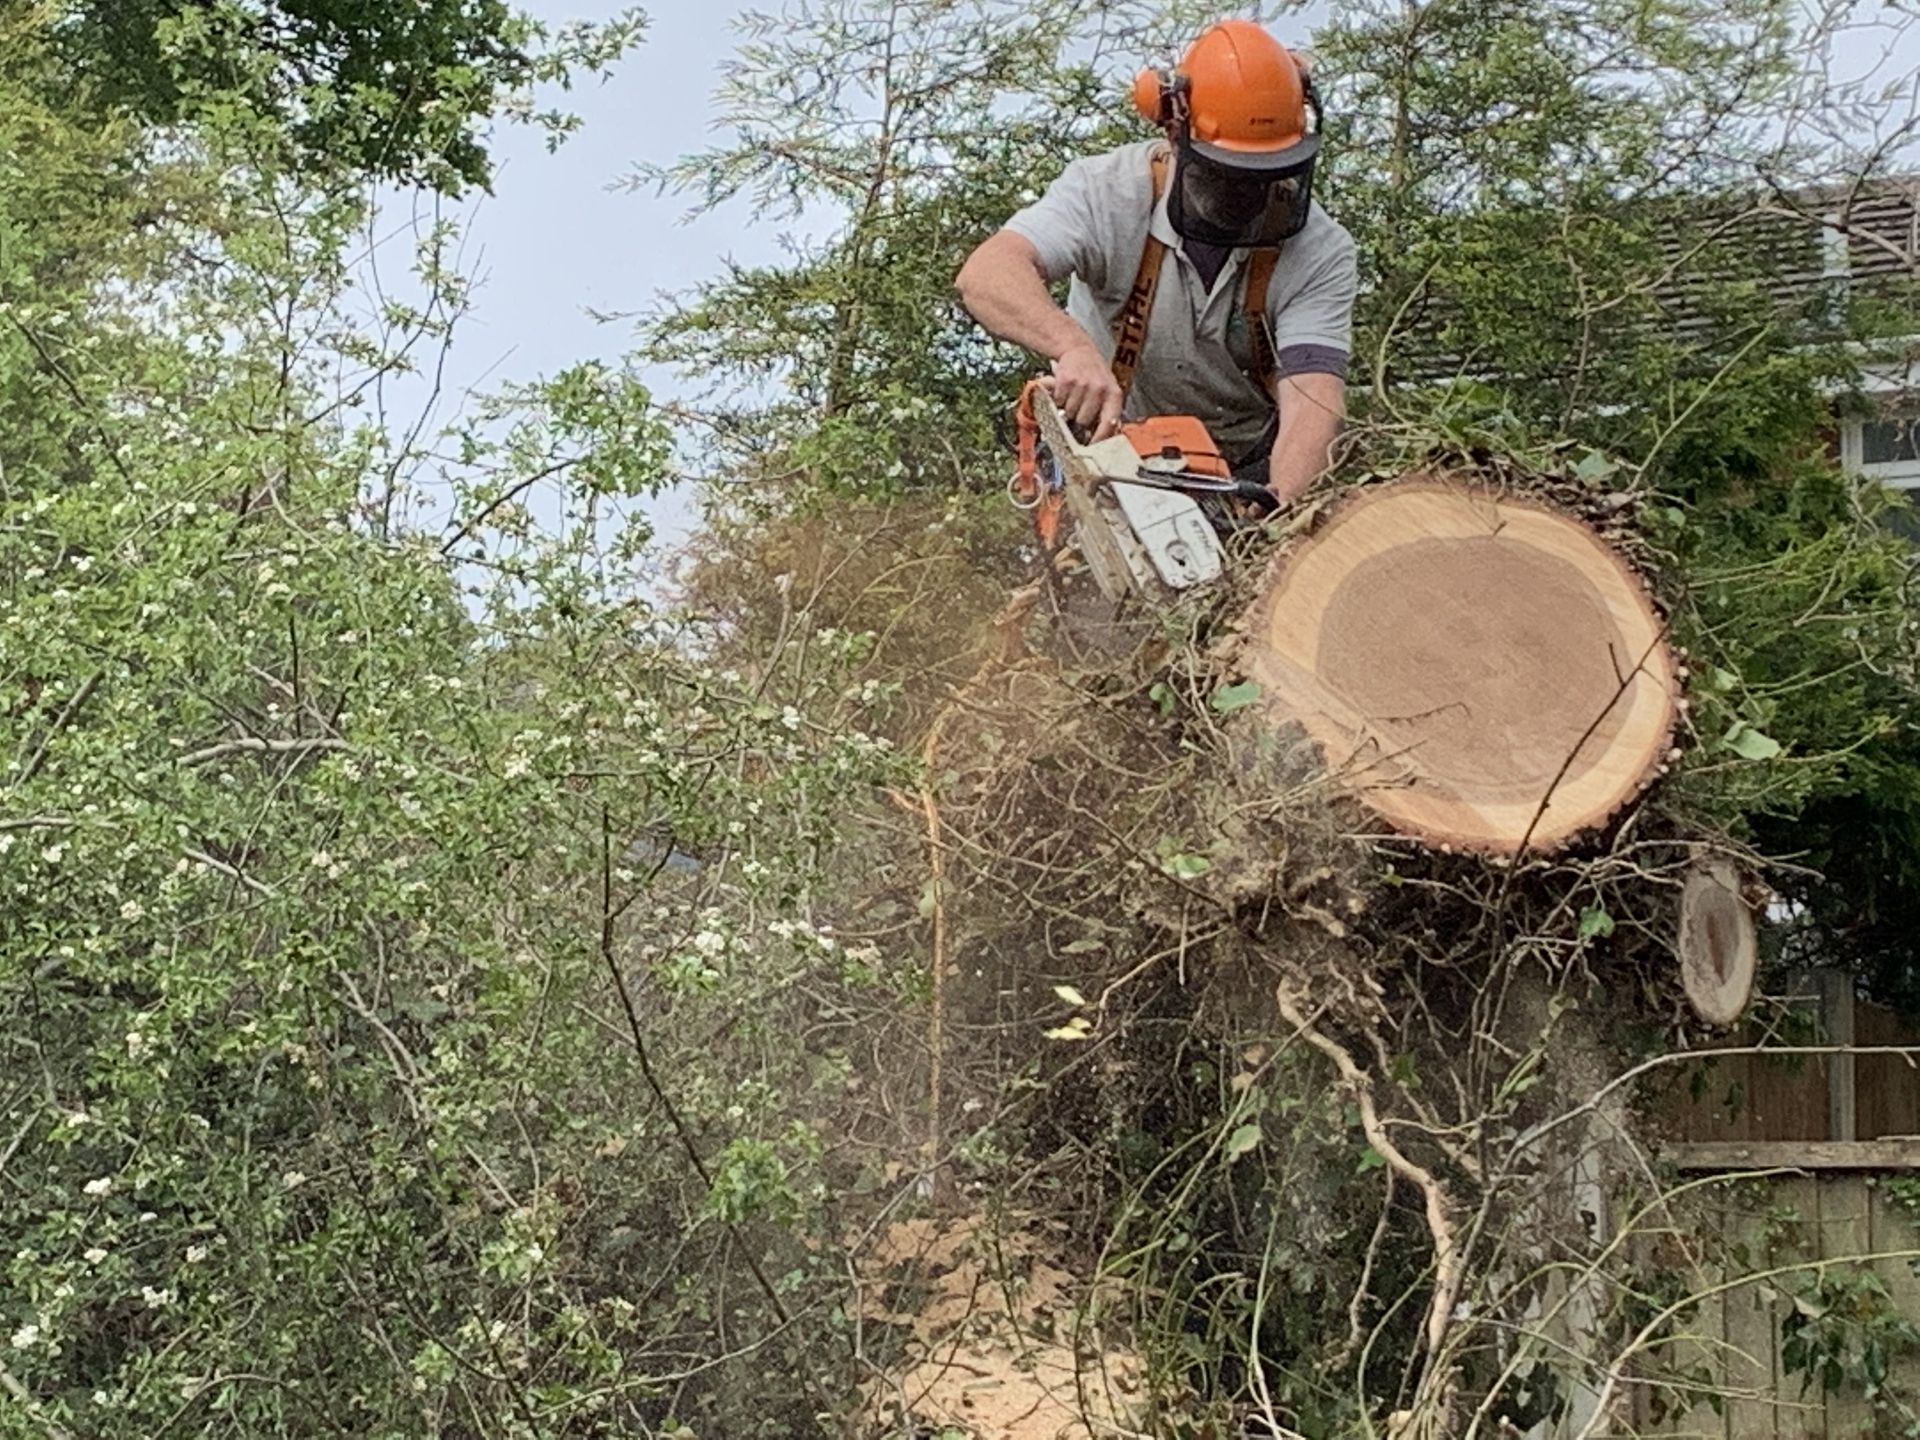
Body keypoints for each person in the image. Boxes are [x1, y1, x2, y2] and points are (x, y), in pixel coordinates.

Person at [956, 19, 1355, 505]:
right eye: (1226, 173)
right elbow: (987, 274)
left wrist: (1282, 509)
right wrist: (1072, 346)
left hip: (1242, 462)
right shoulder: (1106, 193)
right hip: (1111, 451)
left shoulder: (1319, 249)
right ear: (1174, 131)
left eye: (1264, 174)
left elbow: (1314, 399)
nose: (1245, 193)